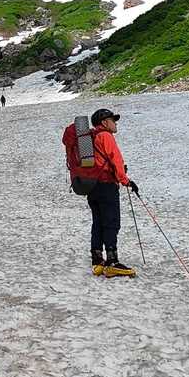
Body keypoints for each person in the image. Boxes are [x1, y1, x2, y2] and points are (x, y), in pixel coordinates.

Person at [62, 107, 139, 277]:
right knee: (111, 222)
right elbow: (116, 159)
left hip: (92, 186)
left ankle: (97, 261)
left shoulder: (91, 137)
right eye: (113, 120)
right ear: (104, 122)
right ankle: (112, 262)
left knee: (98, 222)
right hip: (106, 185)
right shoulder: (105, 136)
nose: (115, 123)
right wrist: (125, 180)